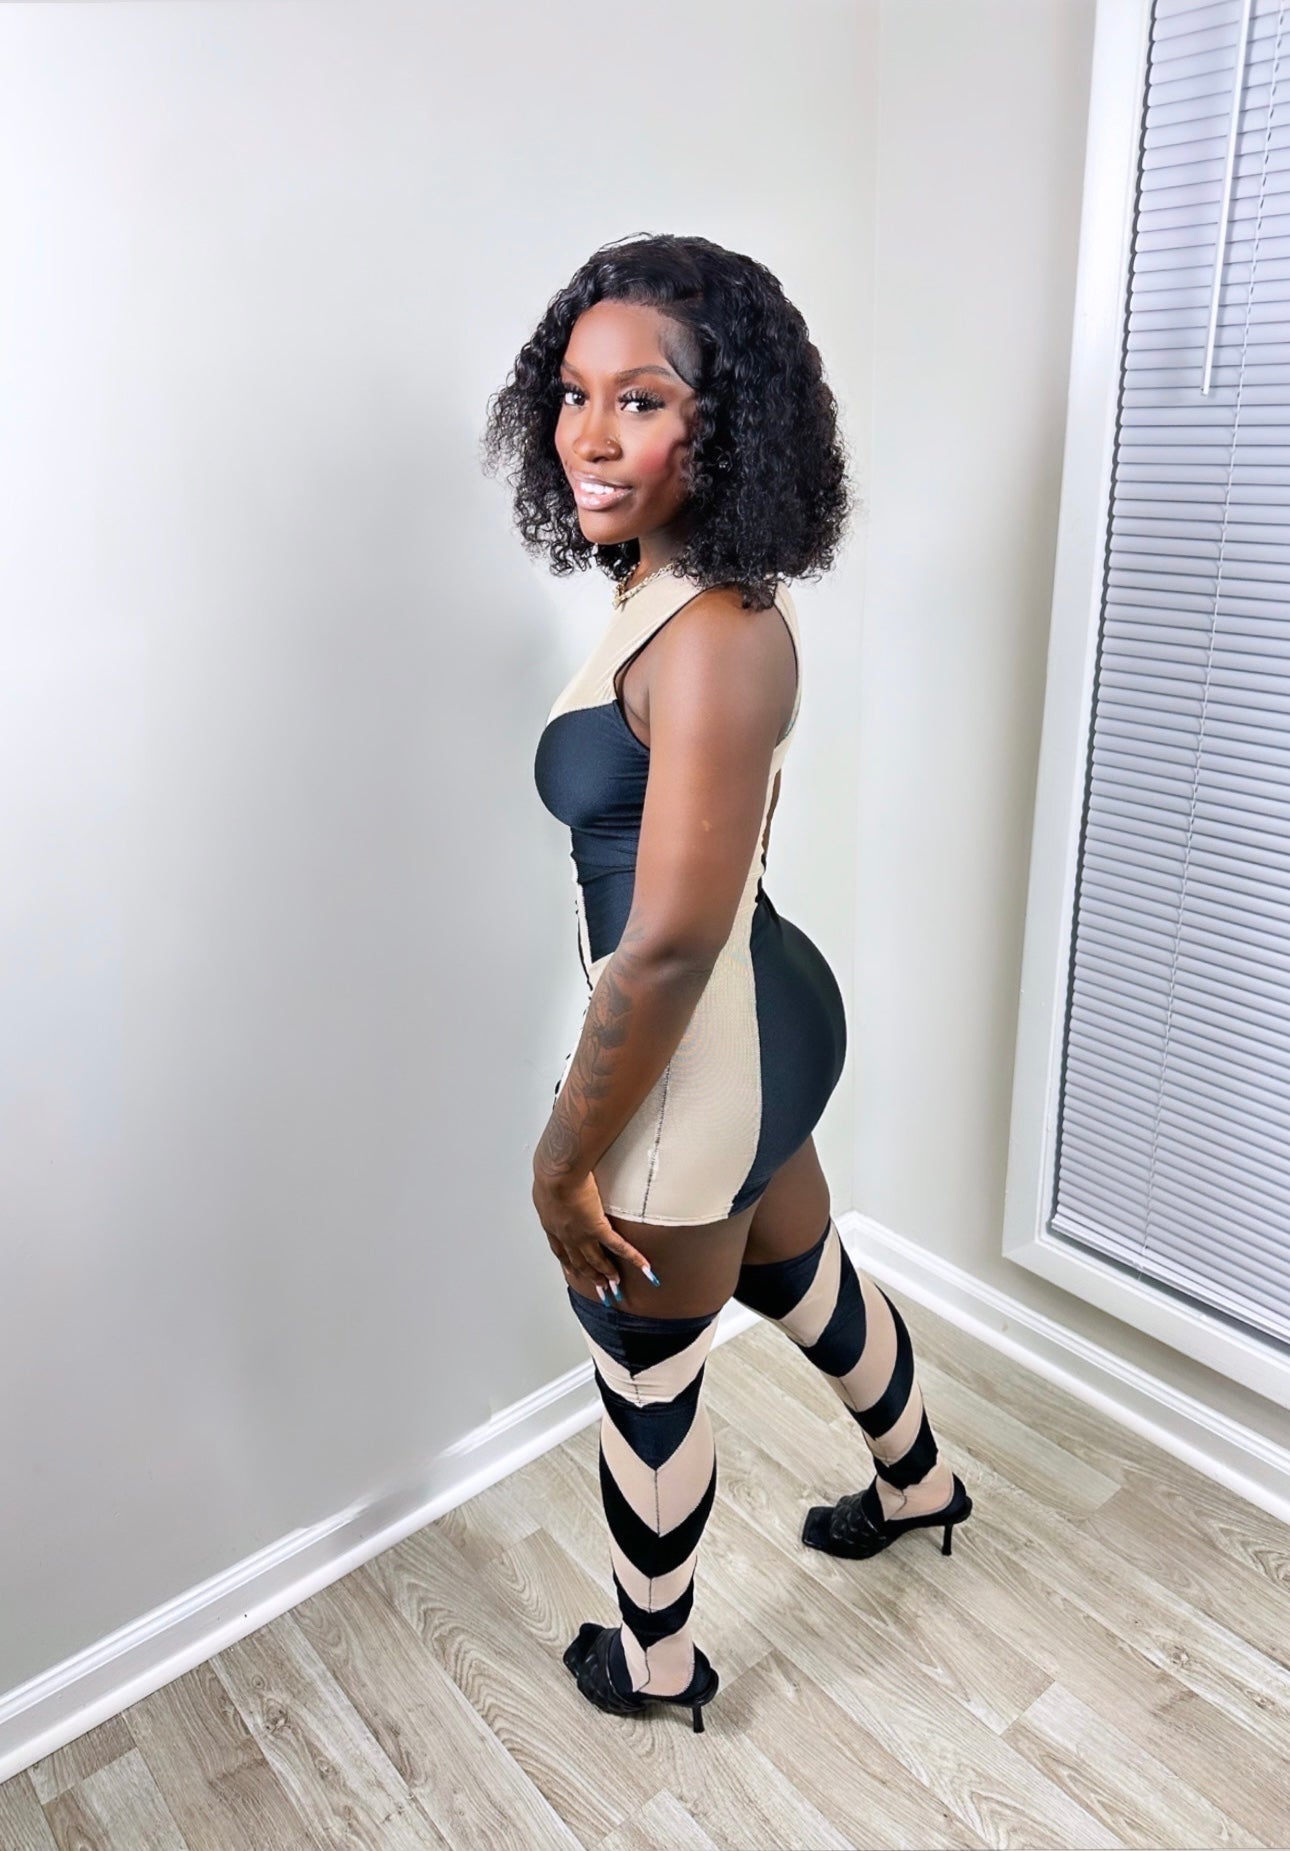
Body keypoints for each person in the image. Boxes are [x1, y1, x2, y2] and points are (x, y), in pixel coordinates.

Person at [481, 233, 972, 1735]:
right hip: (761, 1022)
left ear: (727, 423)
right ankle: (922, 1484)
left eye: (639, 400)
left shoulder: (711, 633)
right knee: (799, 1273)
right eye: (574, 394)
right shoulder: (682, 586)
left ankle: (653, 1663)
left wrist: (561, 1159)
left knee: (645, 1376)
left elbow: (668, 944)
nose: (588, 435)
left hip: (703, 1048)